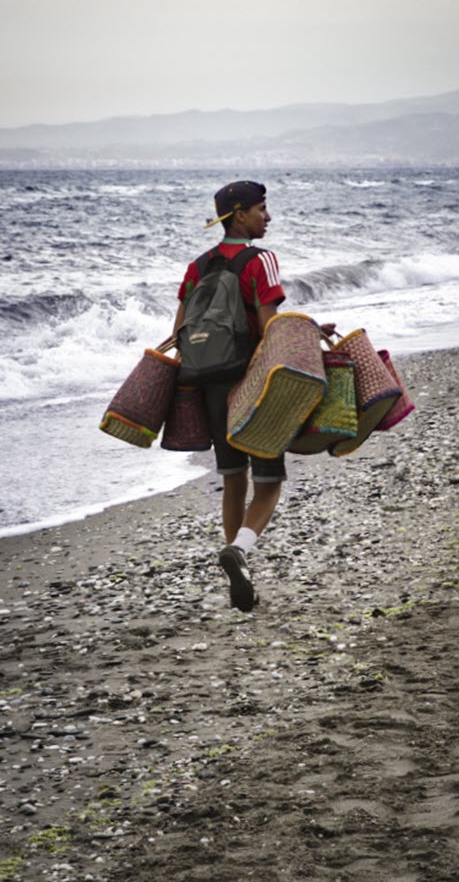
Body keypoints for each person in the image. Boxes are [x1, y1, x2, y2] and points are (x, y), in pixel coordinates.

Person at [173, 180, 286, 613]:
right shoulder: (262, 261)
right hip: (251, 384)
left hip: (210, 384)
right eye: (262, 209)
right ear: (240, 214)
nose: (267, 217)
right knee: (270, 481)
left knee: (232, 477)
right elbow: (271, 330)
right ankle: (239, 551)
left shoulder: (197, 265)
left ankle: (238, 566)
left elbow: (179, 331)